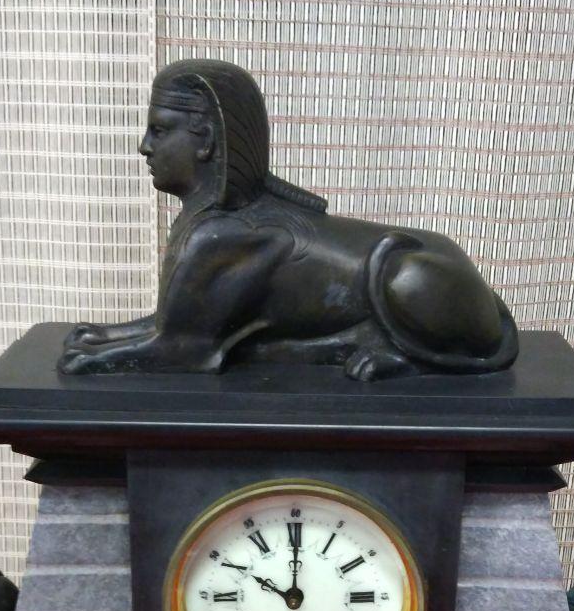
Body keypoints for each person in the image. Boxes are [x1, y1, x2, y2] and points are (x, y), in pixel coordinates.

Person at [60, 59, 518, 381]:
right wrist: (109, 335)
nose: (145, 146)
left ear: (206, 142)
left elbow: (187, 349)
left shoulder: (233, 236)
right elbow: (179, 323)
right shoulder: (217, 228)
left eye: (160, 130)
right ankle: (358, 341)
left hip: (432, 282)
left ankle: (411, 356)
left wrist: (99, 360)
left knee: (410, 278)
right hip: (442, 276)